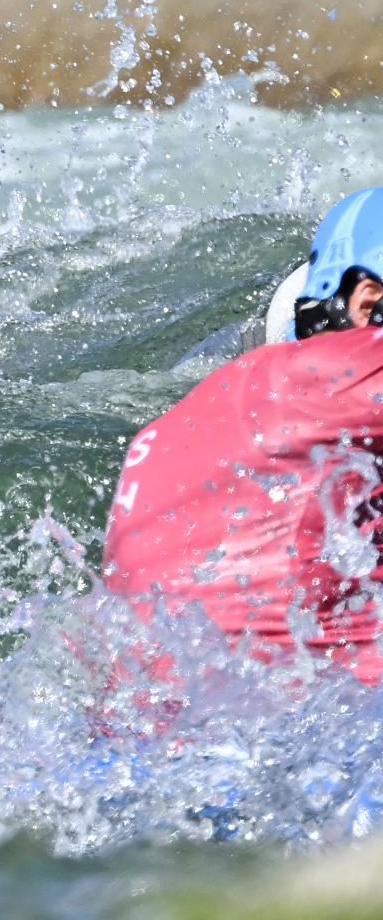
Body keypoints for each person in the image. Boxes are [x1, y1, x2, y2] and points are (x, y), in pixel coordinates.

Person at [102, 188, 383, 684]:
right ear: (367, 303)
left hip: (128, 737)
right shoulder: (356, 369)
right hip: (315, 729)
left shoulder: (171, 427)